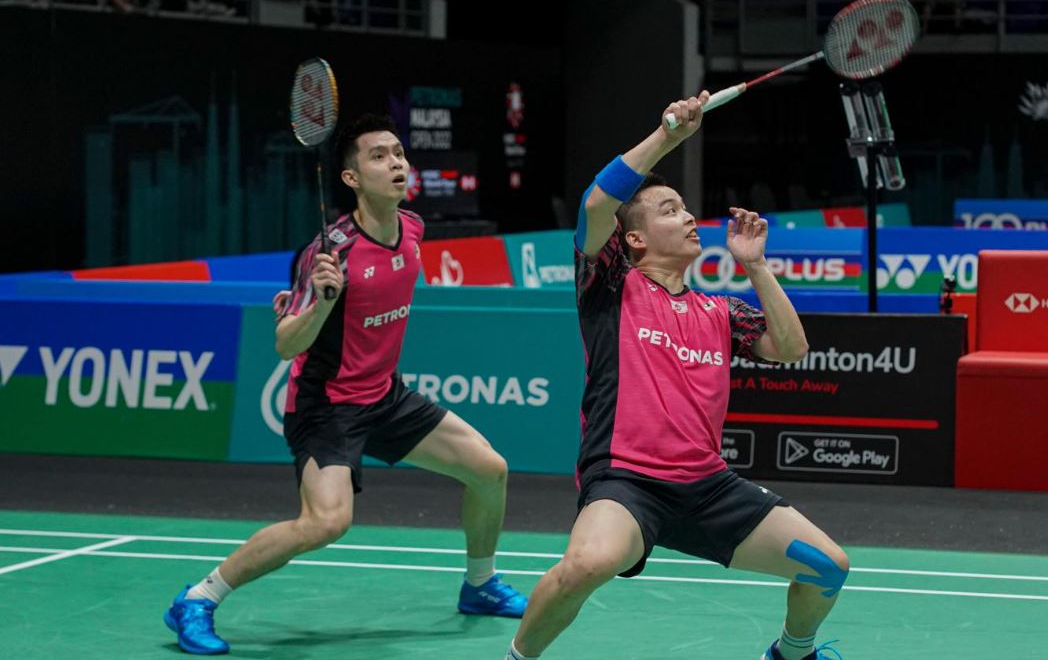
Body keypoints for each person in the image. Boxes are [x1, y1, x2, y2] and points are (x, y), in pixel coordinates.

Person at [163, 114, 528, 656]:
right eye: (379, 156)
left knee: (489, 469)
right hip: (328, 406)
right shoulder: (329, 253)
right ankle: (197, 599)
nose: (396, 163)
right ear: (351, 178)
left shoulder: (413, 228)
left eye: (398, 152)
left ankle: (480, 585)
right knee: (326, 522)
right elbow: (285, 343)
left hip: (384, 395)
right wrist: (320, 303)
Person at [502, 95, 851, 660]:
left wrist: (756, 266)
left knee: (828, 566)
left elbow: (791, 348)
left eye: (686, 209)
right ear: (634, 239)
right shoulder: (609, 285)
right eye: (669, 210)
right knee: (586, 564)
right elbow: (597, 203)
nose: (689, 217)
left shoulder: (720, 312)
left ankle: (792, 653)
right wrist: (667, 137)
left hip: (708, 486)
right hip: (626, 481)